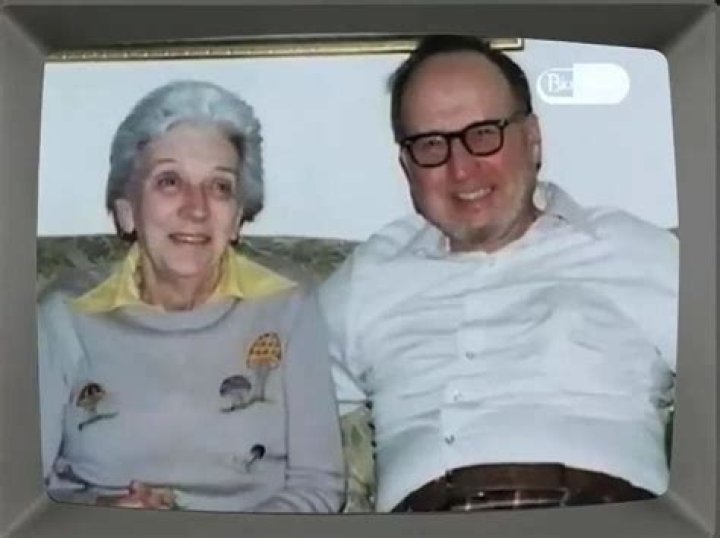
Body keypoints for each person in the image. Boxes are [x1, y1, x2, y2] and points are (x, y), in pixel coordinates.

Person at [318, 35, 678, 513]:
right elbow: (258, 398)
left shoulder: (636, 253)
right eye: (431, 144)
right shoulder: (367, 278)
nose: (461, 170)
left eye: (484, 134)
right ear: (407, 165)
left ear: (532, 138)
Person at [37, 80, 345, 513]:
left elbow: (319, 487)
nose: (196, 208)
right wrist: (103, 512)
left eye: (219, 187)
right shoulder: (65, 313)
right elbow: (18, 495)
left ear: (237, 217)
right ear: (126, 210)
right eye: (169, 181)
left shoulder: (289, 304)